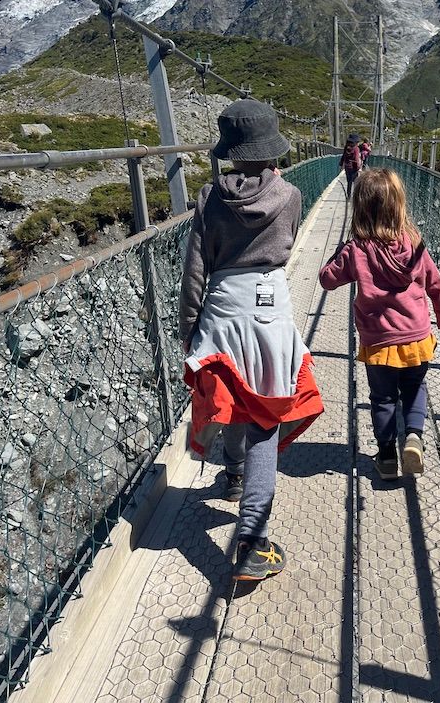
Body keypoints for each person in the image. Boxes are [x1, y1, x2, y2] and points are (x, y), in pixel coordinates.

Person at [180, 99, 323, 582]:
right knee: (266, 413)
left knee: (234, 397)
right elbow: (284, 247)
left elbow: (194, 274)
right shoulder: (290, 195)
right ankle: (252, 542)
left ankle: (234, 475)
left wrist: (189, 333)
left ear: (230, 152)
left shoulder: (206, 200)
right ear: (271, 149)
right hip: (269, 308)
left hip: (221, 309)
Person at [318, 168, 440, 479]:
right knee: (414, 388)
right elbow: (436, 284)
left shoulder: (356, 250)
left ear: (360, 209)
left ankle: (387, 457)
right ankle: (414, 437)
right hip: (416, 337)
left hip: (378, 342)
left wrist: (340, 252)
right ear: (399, 205)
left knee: (382, 398)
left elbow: (326, 280)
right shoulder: (415, 243)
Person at [340, 133, 362, 199]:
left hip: (347, 167)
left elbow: (343, 156)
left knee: (349, 182)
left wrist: (341, 164)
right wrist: (358, 168)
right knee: (356, 183)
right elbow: (356, 159)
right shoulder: (356, 148)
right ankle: (356, 197)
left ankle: (348, 196)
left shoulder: (346, 147)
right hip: (354, 168)